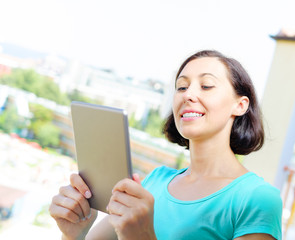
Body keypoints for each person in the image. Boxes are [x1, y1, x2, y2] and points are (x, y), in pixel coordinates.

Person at [49, 50, 282, 240]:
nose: (188, 94)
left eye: (206, 86)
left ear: (240, 105)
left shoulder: (257, 199)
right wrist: (73, 234)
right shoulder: (154, 182)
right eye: (181, 87)